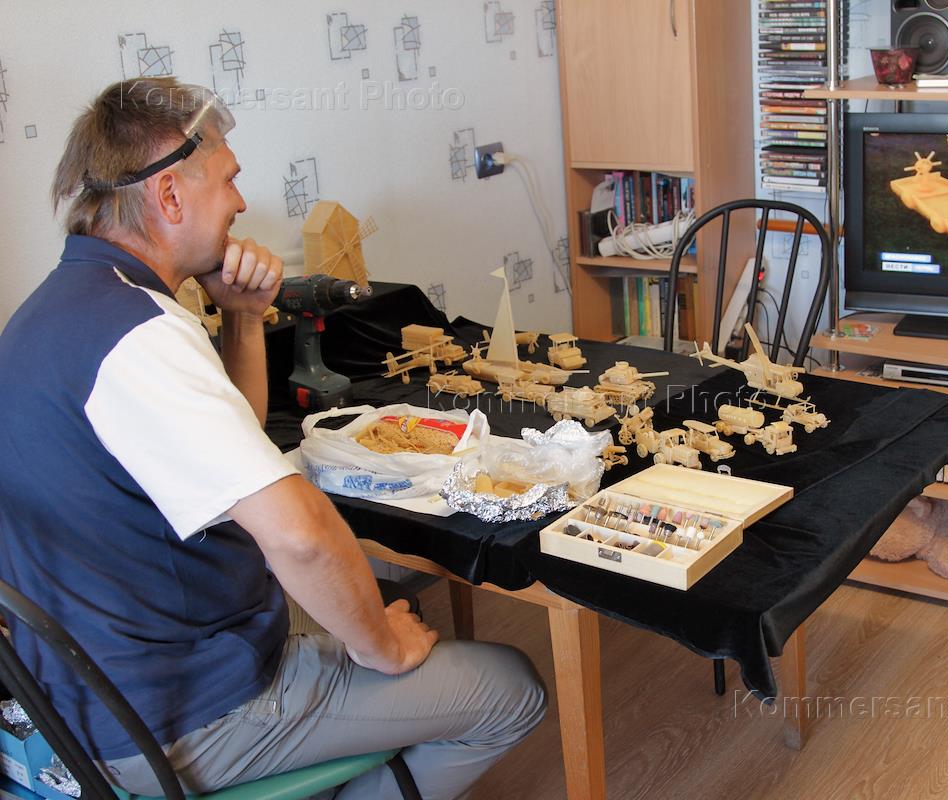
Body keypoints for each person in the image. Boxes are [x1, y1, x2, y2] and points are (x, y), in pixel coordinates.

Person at [0, 77, 545, 800]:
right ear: (169, 195)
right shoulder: (140, 336)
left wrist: (244, 318)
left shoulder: (57, 312)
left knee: (354, 611)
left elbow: (236, 445)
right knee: (511, 689)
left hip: (82, 697)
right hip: (175, 717)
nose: (239, 202)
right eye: (228, 179)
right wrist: (381, 646)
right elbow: (301, 537)